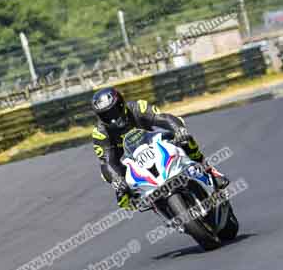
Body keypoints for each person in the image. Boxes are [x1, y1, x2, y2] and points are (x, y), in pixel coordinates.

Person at [91, 87, 228, 209]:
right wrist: (116, 179)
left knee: (185, 141)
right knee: (122, 196)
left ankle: (209, 171)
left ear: (121, 103)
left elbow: (163, 118)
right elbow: (107, 161)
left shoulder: (138, 107)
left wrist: (179, 130)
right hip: (128, 162)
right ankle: (158, 206)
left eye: (114, 111)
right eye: (106, 115)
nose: (113, 118)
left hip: (154, 143)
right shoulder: (100, 133)